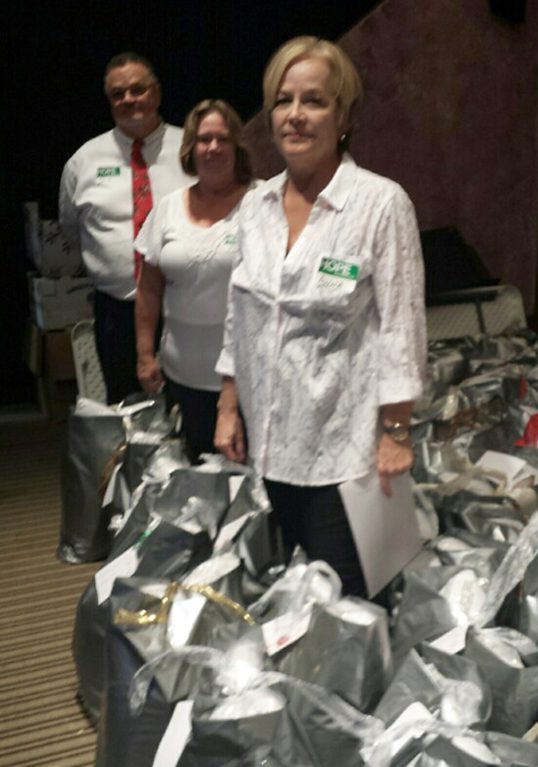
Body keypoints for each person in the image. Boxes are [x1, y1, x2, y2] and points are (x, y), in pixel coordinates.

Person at [214, 36, 427, 597]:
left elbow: (402, 328)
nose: (295, 115)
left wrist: (396, 432)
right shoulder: (255, 207)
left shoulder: (381, 205)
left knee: (350, 602)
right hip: (269, 442)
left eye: (314, 101)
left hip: (343, 453)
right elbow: (240, 314)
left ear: (344, 116)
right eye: (283, 100)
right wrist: (228, 405)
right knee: (293, 589)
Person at [59, 52, 187, 404]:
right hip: (118, 313)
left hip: (186, 307)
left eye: (138, 89)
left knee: (189, 406)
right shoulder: (83, 161)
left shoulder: (193, 148)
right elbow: (72, 230)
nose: (129, 99)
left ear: (156, 93)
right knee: (126, 409)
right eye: (118, 94)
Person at [135, 99, 254, 460]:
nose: (213, 147)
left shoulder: (263, 201)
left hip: (250, 379)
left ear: (237, 146)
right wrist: (145, 355)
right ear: (190, 148)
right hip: (182, 376)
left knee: (251, 479)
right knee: (198, 479)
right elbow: (149, 287)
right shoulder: (168, 208)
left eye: (222, 139)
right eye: (204, 139)